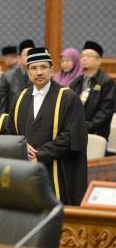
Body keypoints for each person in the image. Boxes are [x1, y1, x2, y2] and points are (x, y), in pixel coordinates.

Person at [8, 47, 88, 205]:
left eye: (43, 67)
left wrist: (40, 155)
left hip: (57, 170)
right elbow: (9, 133)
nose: (39, 72)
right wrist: (20, 146)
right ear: (28, 71)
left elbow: (71, 136)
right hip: (26, 169)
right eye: (34, 68)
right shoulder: (19, 99)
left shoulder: (68, 98)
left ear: (52, 70)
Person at [69, 41, 116, 140]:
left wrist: (87, 127)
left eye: (89, 56)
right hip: (74, 131)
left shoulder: (107, 82)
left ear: (98, 61)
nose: (84, 59)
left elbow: (106, 111)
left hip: (96, 133)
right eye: (82, 56)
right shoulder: (76, 82)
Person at [0, 39, 35, 113]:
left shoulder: (41, 75)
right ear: (19, 58)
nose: (30, 57)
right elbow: (2, 105)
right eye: (27, 55)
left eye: (32, 54)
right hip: (14, 116)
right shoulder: (7, 77)